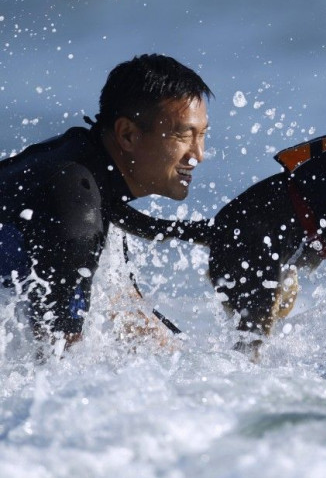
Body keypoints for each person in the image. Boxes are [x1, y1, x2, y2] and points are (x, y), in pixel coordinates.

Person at [0, 54, 212, 351]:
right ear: (127, 134)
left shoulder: (92, 171)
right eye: (183, 135)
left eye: (202, 135)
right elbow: (55, 359)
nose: (197, 154)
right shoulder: (76, 207)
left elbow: (128, 312)